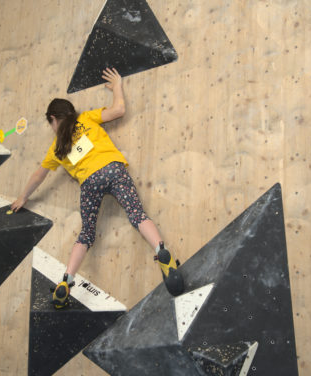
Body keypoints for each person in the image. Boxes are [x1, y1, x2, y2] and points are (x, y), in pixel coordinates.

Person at [11, 68, 183, 309]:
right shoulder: (87, 118)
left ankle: (66, 281)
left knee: (87, 234)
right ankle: (162, 251)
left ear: (53, 119)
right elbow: (119, 110)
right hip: (113, 169)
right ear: (70, 113)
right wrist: (117, 87)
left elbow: (39, 175)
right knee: (137, 214)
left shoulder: (56, 148)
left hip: (89, 183)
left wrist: (23, 197)